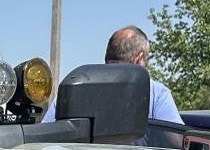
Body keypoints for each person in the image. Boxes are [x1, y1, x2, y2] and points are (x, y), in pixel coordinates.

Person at [41, 25, 182, 125]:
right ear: (139, 58)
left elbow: (46, 134)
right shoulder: (156, 93)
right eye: (147, 59)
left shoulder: (74, 88)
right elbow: (177, 140)